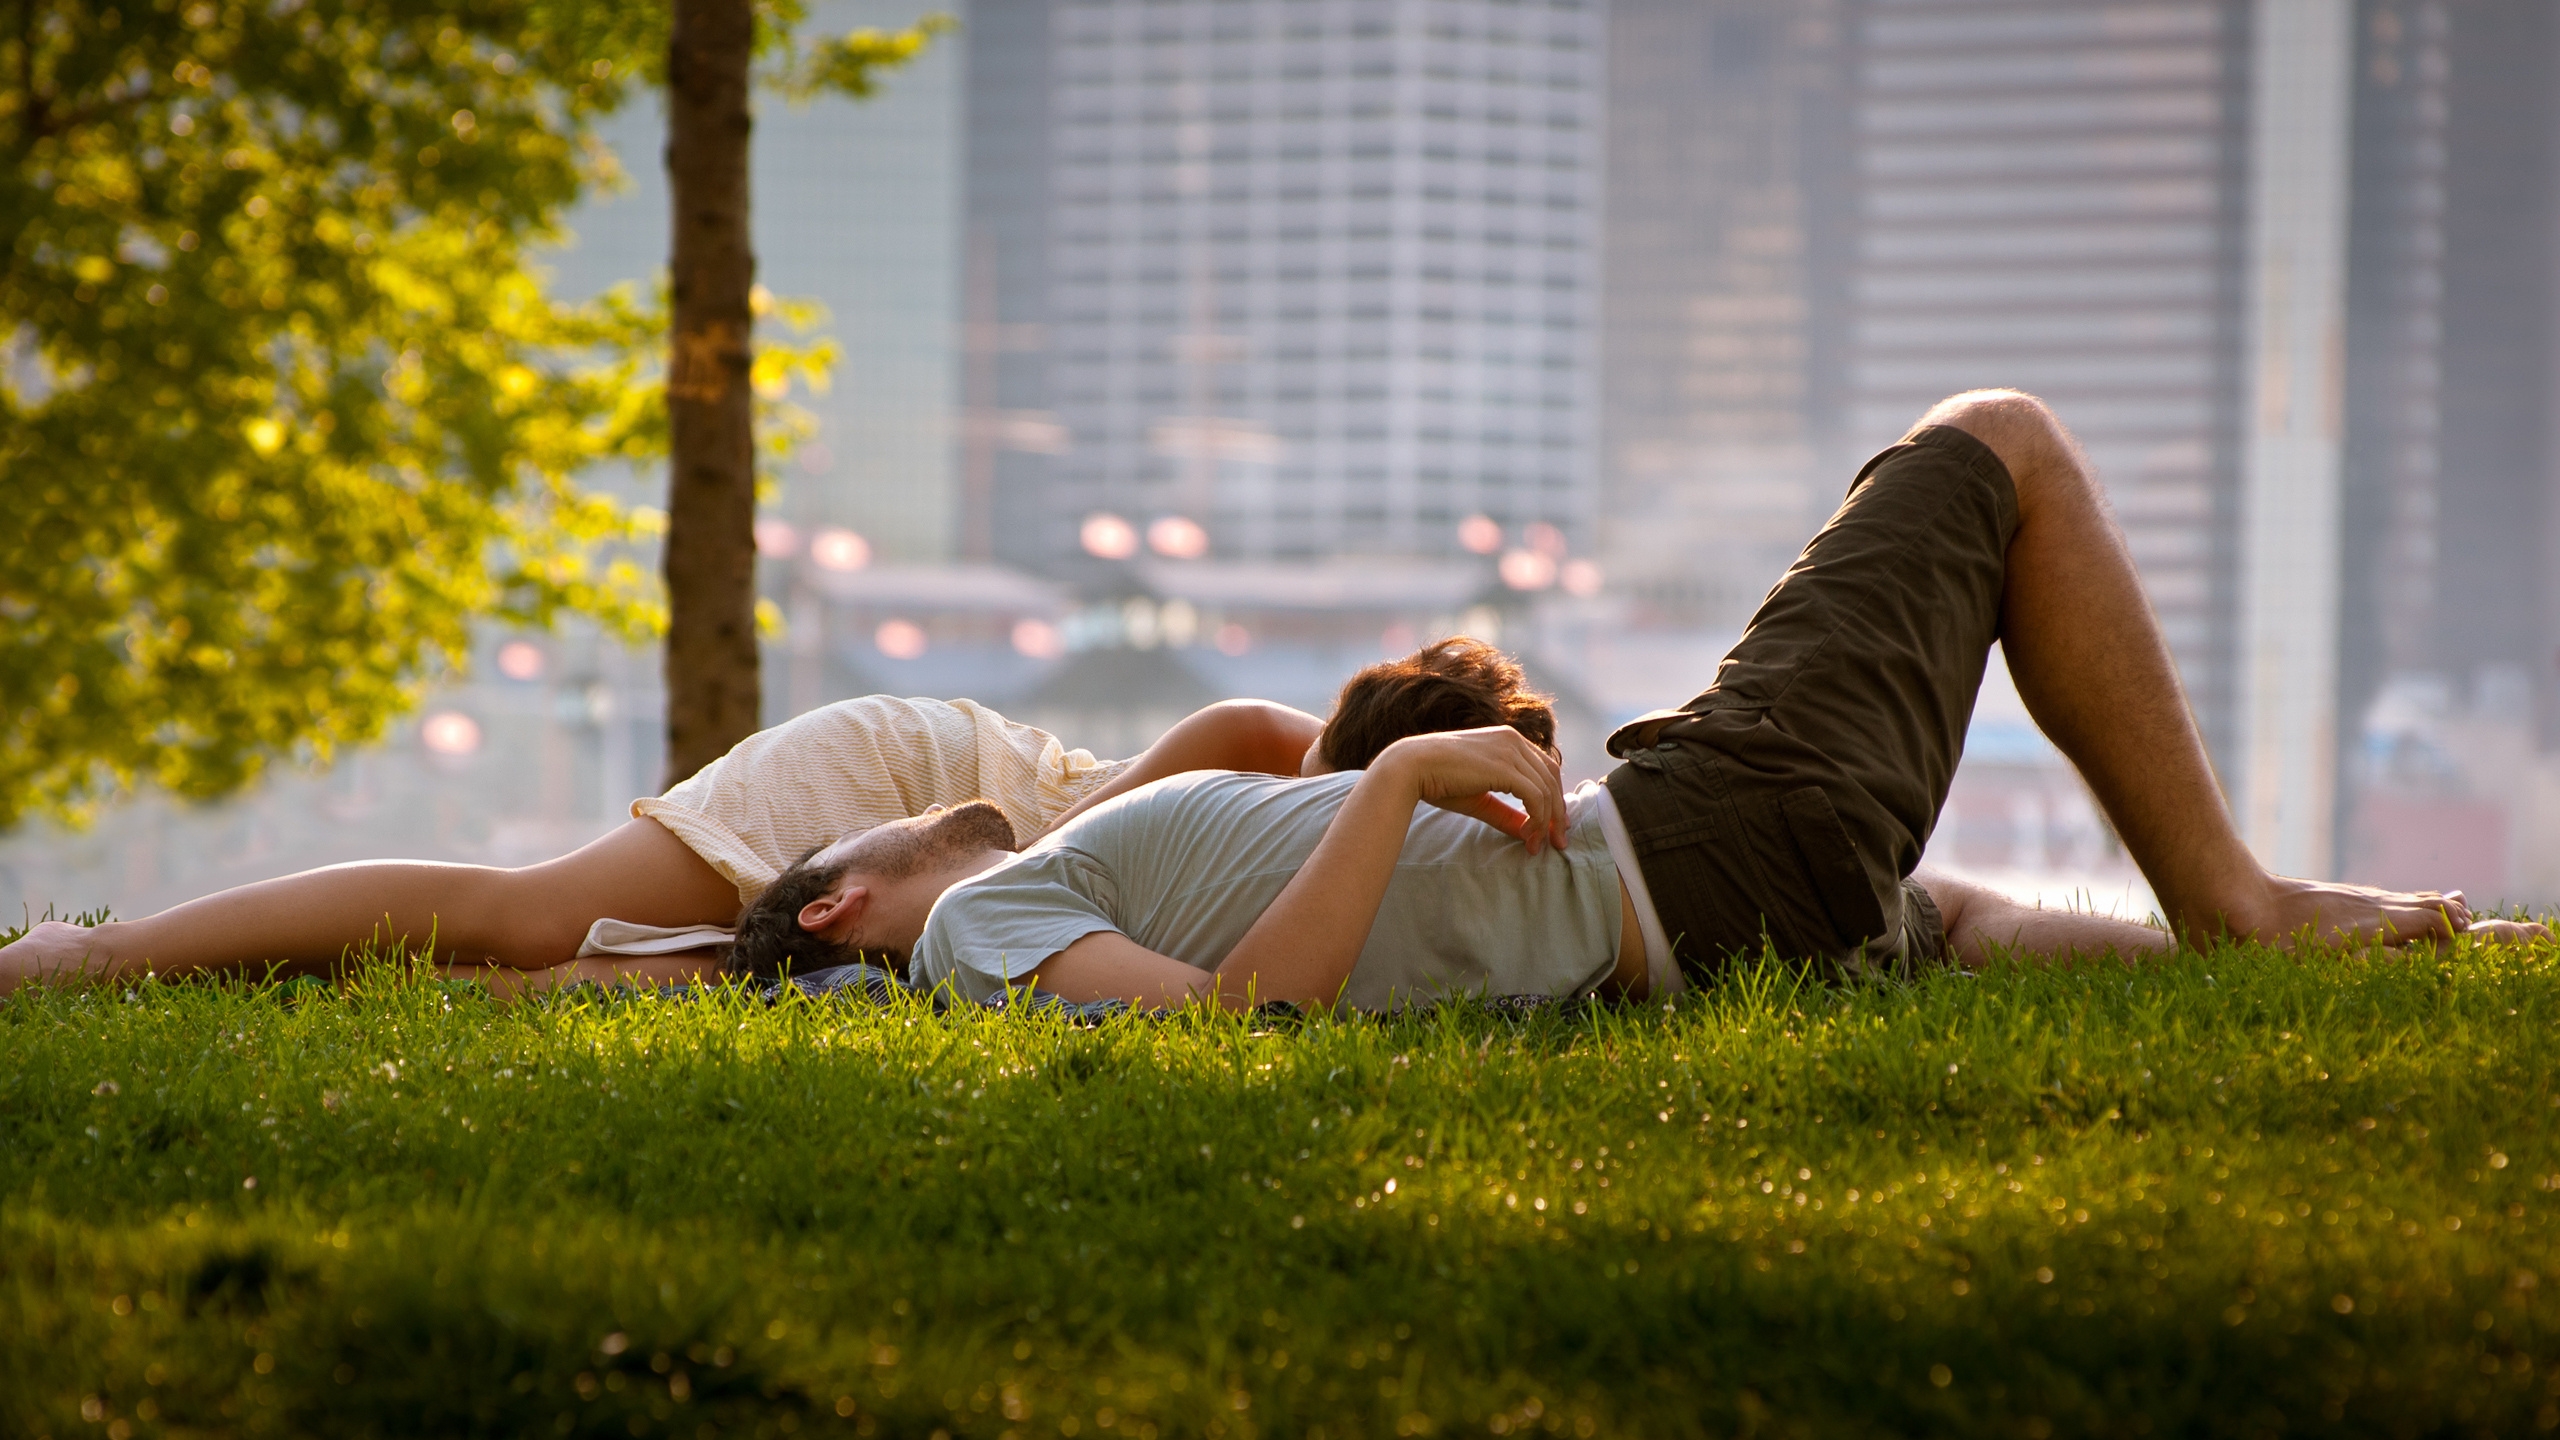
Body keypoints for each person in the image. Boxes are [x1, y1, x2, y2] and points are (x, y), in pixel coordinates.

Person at [722, 390, 2542, 1015]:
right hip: (1696, 850)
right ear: (837, 904)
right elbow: (1241, 1027)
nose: (908, 814)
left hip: (1729, 904)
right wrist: (1401, 779)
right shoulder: (966, 923)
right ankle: (2238, 905)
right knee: (1999, 445)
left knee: (1955, 917)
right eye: (862, 836)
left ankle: (2293, 957)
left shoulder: (1049, 887)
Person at [0, 693, 1321, 995]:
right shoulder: (1340, 769)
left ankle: (262, 978)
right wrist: (1001, 888)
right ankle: (99, 959)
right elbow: (1244, 730)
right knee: (535, 917)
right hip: (935, 796)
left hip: (937, 928)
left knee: (624, 979)